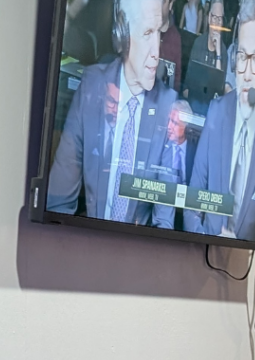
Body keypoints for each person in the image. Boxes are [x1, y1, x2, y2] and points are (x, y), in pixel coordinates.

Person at [47, 0, 178, 224]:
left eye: (159, 33)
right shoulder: (92, 88)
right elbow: (57, 202)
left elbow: (164, 220)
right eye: (147, 33)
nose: (156, 52)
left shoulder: (168, 105)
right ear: (122, 35)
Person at [186, 0, 255, 243]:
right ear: (234, 59)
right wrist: (205, 239)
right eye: (242, 55)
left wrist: (236, 249)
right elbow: (192, 203)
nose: (247, 73)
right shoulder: (217, 113)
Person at [158, 0, 183, 92]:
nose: (159, 5)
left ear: (170, 5)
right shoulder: (146, 29)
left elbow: (177, 76)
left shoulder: (175, 38)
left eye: (163, 2)